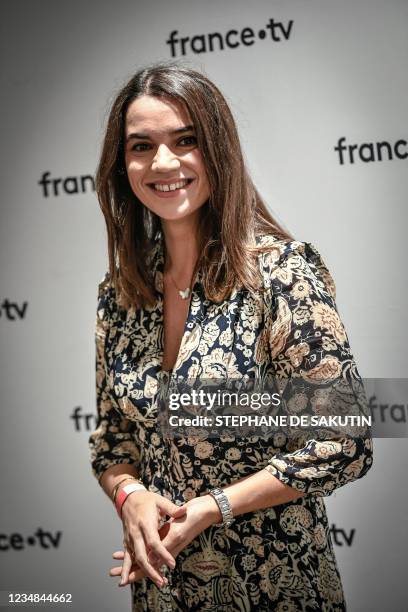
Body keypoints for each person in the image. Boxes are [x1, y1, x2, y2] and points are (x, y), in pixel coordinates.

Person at [88, 61, 373, 612]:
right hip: (163, 588)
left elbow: (346, 440)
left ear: (217, 148)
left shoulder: (280, 275)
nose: (163, 162)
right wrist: (131, 496)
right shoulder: (121, 293)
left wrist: (213, 506)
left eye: (185, 140)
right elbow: (113, 440)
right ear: (122, 164)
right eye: (141, 146)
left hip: (273, 582)